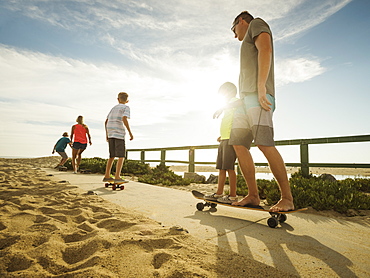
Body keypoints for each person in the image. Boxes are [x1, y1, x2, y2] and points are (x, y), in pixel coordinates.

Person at [227, 11, 294, 212]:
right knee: (238, 144)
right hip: (244, 100)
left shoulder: (256, 23)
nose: (234, 34)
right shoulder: (245, 41)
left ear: (240, 21)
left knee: (264, 144)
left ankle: (287, 198)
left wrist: (261, 87)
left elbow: (265, 49)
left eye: (233, 29)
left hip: (258, 96)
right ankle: (253, 195)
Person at [205, 82, 238, 204]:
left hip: (230, 140)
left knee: (229, 168)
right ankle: (219, 193)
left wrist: (221, 108)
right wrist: (222, 136)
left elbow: (238, 105)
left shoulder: (234, 101)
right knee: (221, 168)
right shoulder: (229, 105)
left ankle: (233, 195)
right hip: (224, 139)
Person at [103, 92, 134, 183]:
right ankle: (117, 176)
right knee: (121, 156)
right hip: (119, 134)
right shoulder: (126, 107)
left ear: (118, 99)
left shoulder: (113, 108)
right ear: (127, 100)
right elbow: (124, 119)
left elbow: (106, 121)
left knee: (112, 156)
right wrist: (130, 133)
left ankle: (107, 175)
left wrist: (107, 135)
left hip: (111, 133)